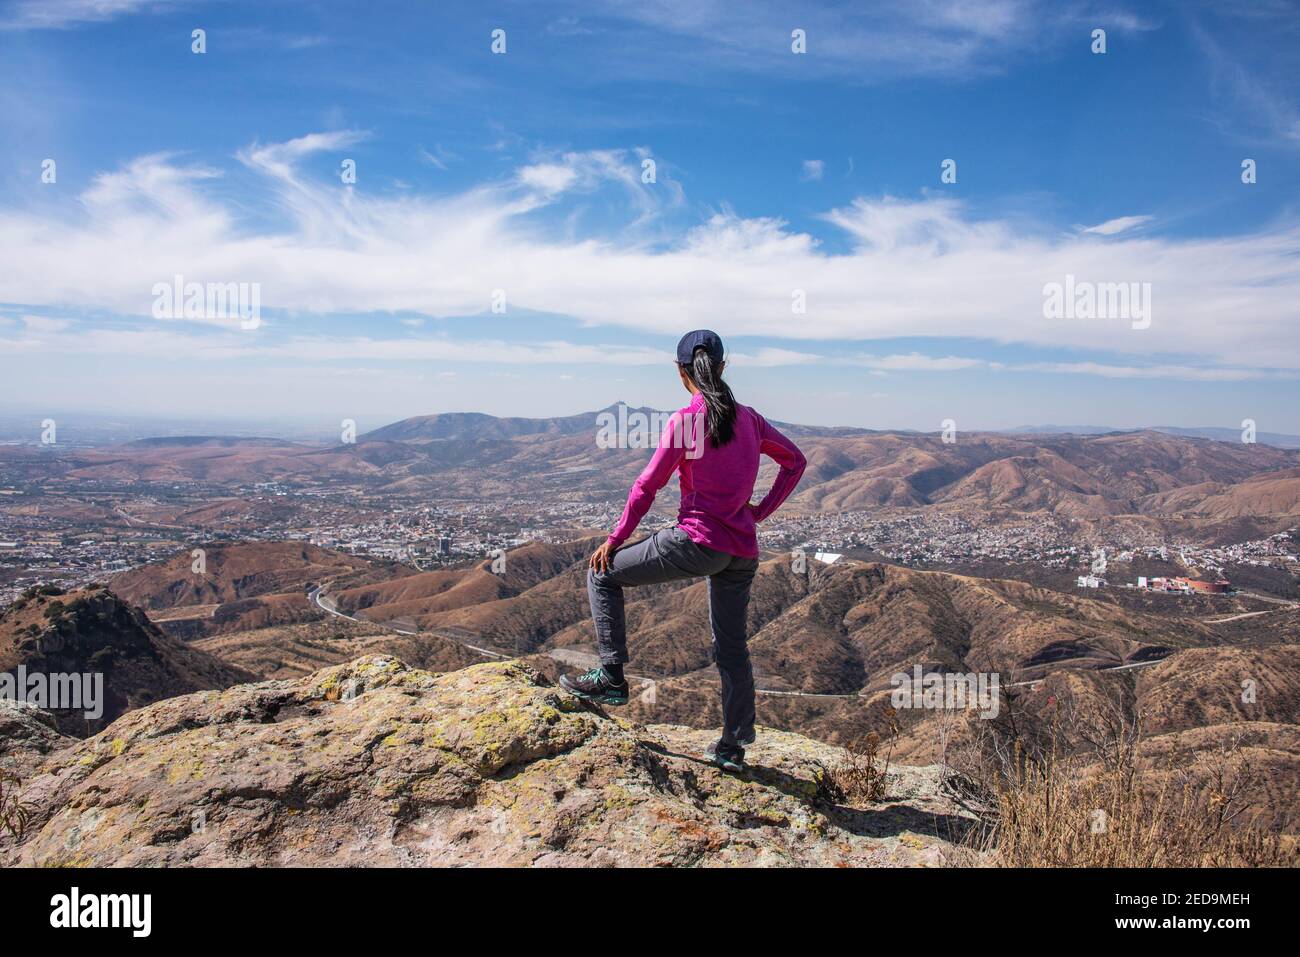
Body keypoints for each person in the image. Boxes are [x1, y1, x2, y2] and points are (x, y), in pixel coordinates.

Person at [560, 330, 807, 773]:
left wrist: (615, 540)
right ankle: (733, 746)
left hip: (697, 541)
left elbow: (646, 486)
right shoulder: (751, 420)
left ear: (681, 373)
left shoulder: (686, 422)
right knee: (732, 649)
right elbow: (795, 461)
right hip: (742, 551)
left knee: (602, 574)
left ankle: (612, 678)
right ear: (723, 368)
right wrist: (760, 511)